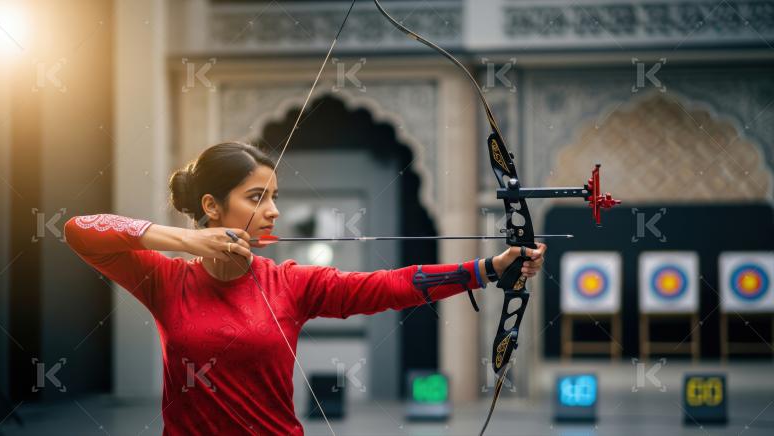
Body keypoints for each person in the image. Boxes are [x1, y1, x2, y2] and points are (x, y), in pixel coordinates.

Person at [64, 142, 546, 435]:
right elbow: (81, 229)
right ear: (212, 205)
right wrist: (186, 240)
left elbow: (387, 287)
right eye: (257, 198)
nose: (273, 211)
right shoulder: (166, 281)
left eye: (274, 197)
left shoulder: (291, 283)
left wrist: (485, 268)